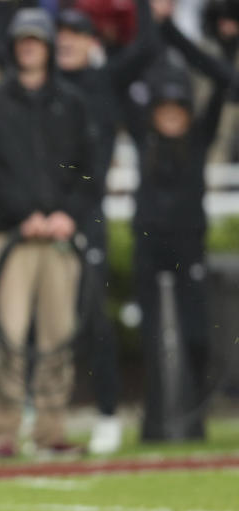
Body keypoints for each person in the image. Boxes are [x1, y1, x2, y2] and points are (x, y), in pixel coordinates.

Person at [0, 8, 98, 458]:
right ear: (14, 46)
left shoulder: (73, 101)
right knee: (6, 334)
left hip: (61, 237)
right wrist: (23, 214)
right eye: (22, 40)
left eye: (36, 40)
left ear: (46, 46)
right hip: (12, 236)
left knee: (57, 335)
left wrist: (68, 214)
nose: (29, 47)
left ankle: (50, 430)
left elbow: (89, 170)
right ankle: (4, 431)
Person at [125, 11, 235, 442]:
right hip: (147, 245)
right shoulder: (142, 138)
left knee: (195, 337)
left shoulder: (200, 139)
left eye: (178, 109)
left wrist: (172, 31)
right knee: (151, 338)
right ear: (153, 113)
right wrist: (151, 22)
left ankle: (195, 420)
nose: (171, 116)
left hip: (189, 246)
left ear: (189, 112)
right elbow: (122, 78)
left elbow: (224, 78)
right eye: (163, 109)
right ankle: (153, 423)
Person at [55, 0, 159, 454]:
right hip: (46, 217)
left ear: (91, 41)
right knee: (51, 323)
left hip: (88, 216)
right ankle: (48, 421)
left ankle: (109, 413)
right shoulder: (47, 86)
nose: (66, 41)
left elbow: (149, 44)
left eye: (76, 33)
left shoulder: (104, 80)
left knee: (96, 318)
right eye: (62, 34)